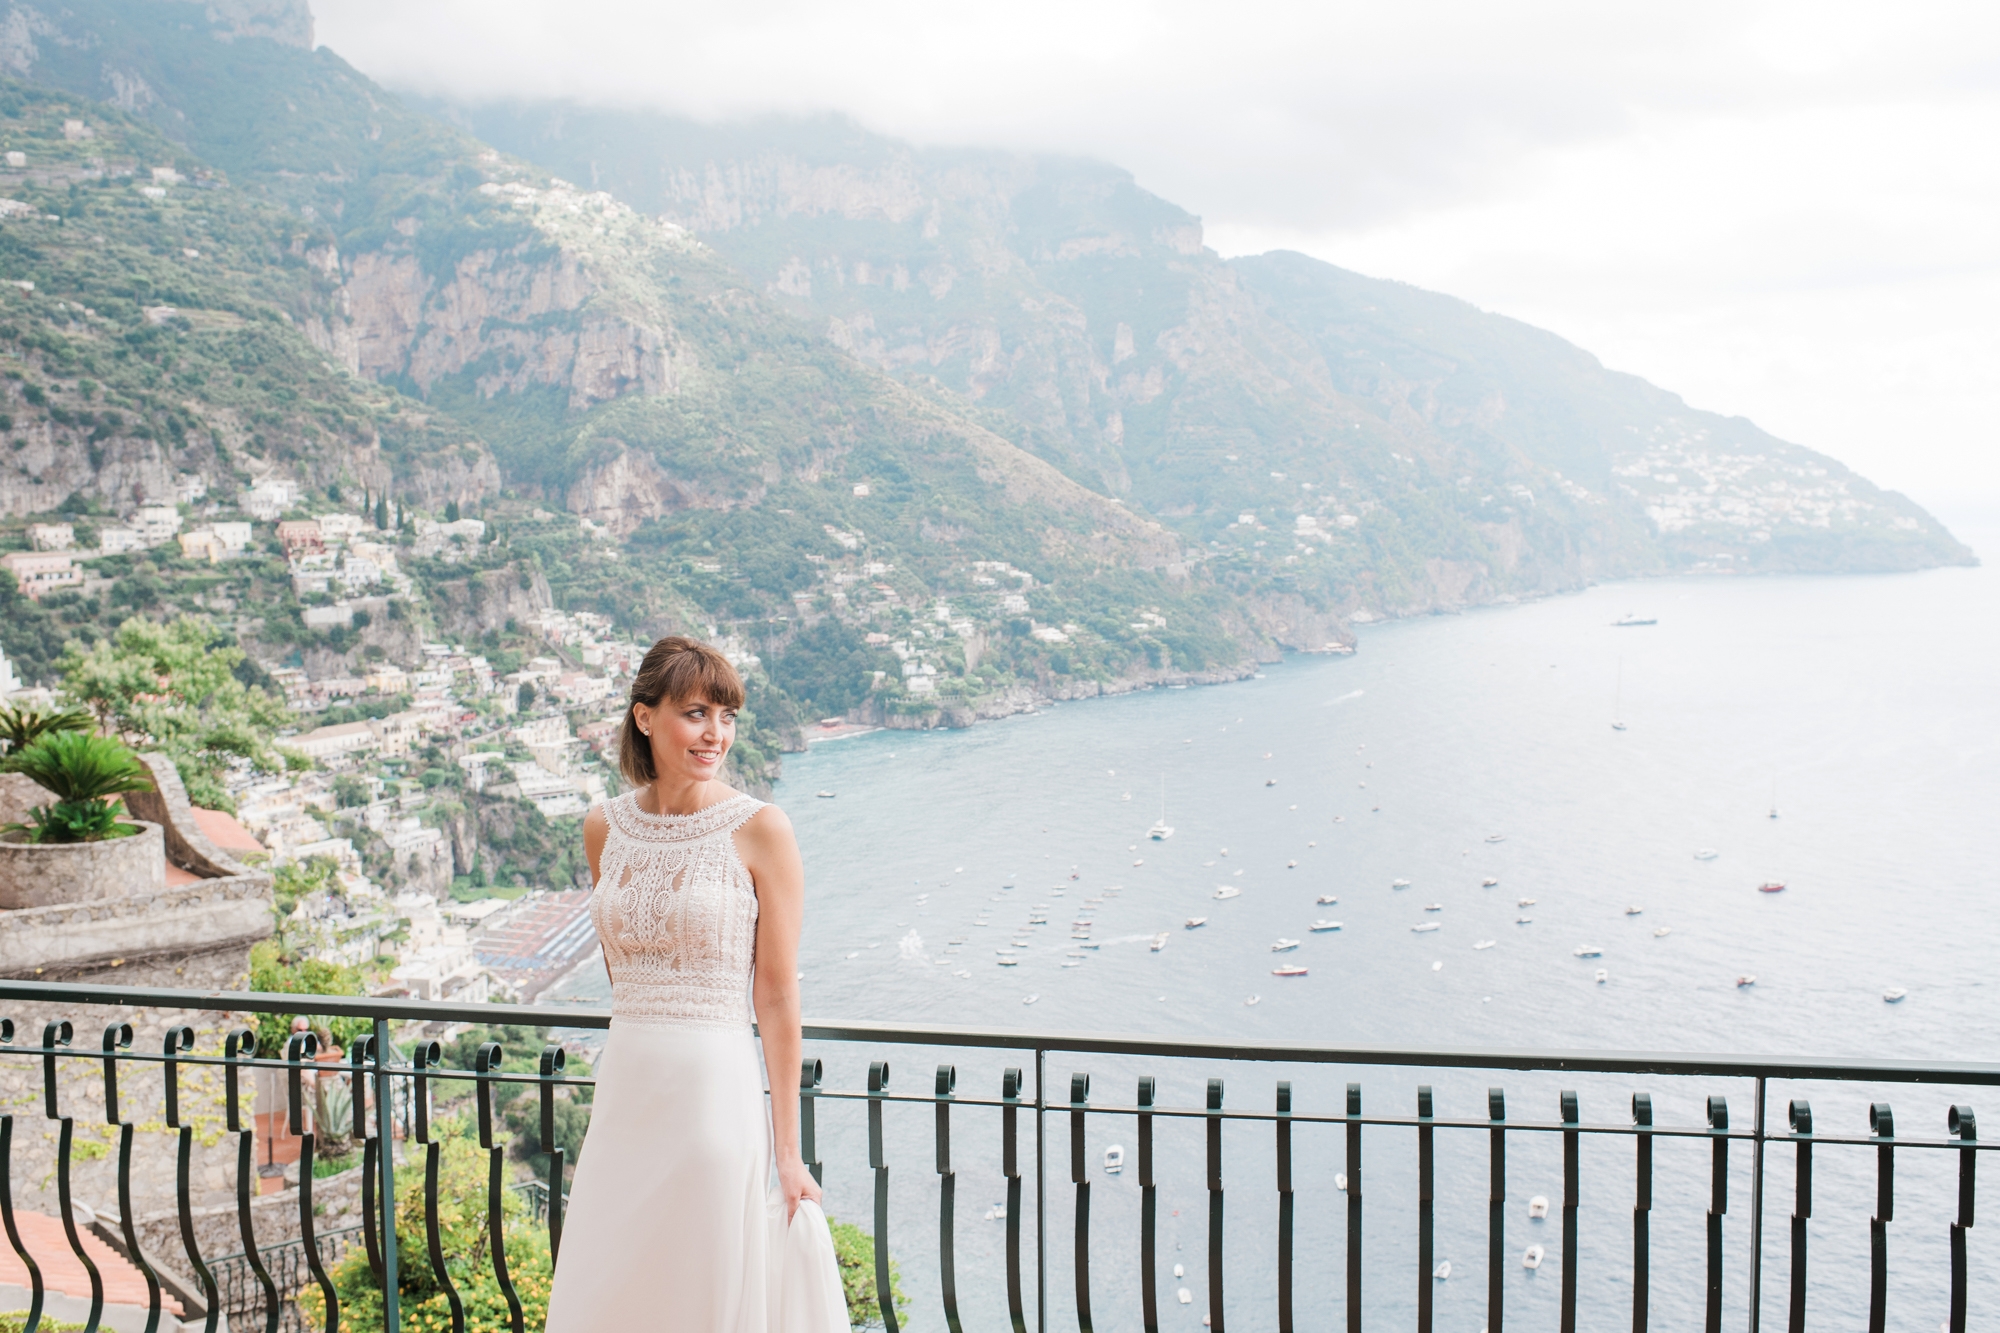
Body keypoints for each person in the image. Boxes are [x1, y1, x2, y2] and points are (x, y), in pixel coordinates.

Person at [545, 636, 849, 1331]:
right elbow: (624, 966)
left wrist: (788, 1153)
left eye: (728, 715)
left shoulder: (762, 829)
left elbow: (774, 996)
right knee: (609, 1284)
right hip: (625, 1093)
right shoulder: (603, 827)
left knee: (699, 1290)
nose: (716, 733)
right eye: (696, 713)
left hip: (713, 1097)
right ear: (645, 716)